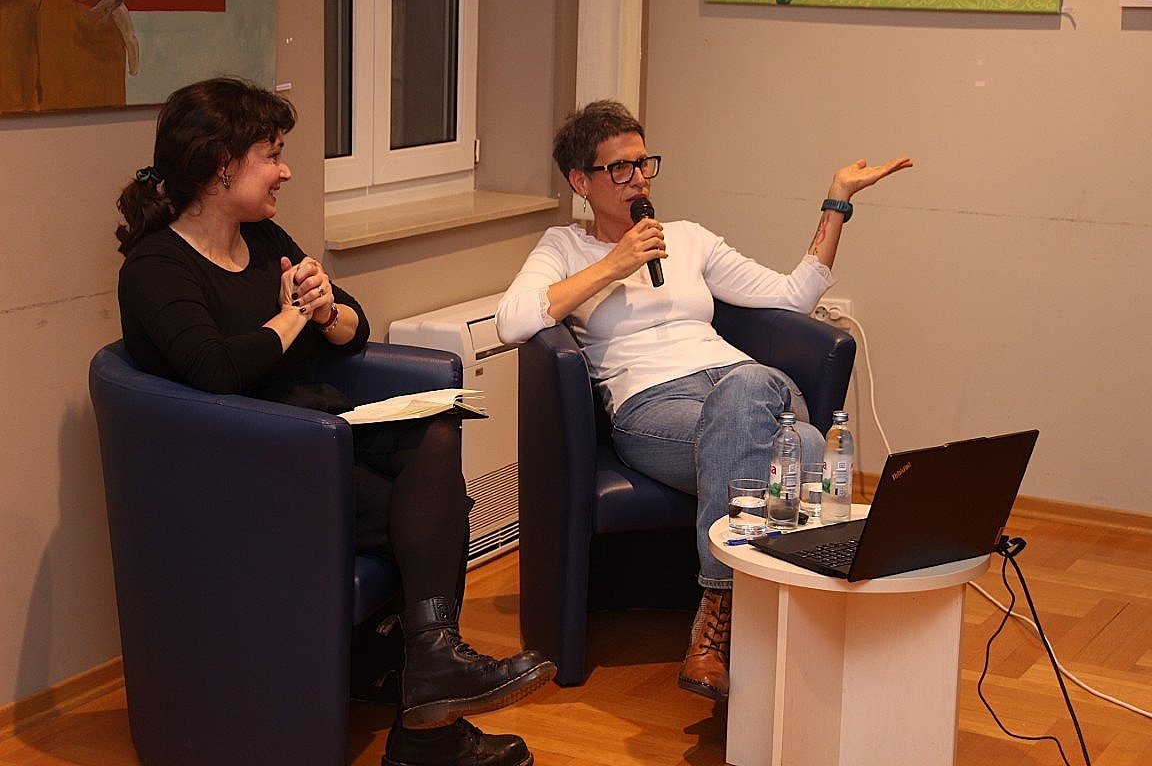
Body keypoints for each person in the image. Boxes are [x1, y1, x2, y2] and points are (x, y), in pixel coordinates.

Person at [115, 77, 553, 766]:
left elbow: (355, 328)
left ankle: (432, 673)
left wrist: (325, 309)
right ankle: (428, 724)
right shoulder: (156, 267)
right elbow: (215, 370)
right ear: (222, 164)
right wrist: (293, 314)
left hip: (313, 443)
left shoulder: (263, 238)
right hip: (241, 471)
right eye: (271, 154)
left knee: (437, 437)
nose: (285, 170)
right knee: (435, 510)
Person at [495, 99, 911, 702]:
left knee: (747, 387)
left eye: (644, 163)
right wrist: (615, 263)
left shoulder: (688, 239)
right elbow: (512, 321)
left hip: (743, 382)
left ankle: (717, 610)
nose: (639, 179)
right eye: (620, 168)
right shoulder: (563, 247)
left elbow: (793, 296)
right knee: (806, 447)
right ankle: (800, 631)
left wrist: (837, 200)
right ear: (580, 181)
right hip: (653, 407)